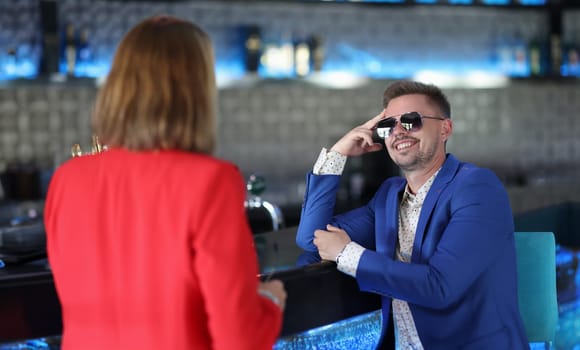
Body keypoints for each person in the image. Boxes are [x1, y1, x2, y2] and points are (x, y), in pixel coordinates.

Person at [44, 15, 285, 350]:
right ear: (196, 93)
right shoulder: (212, 181)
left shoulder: (66, 179)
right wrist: (270, 303)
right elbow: (238, 339)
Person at [296, 80, 528, 349]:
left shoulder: (477, 188)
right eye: (387, 126)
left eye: (410, 121)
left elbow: (440, 288)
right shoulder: (388, 196)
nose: (398, 132)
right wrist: (337, 154)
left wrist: (347, 254)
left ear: (445, 128)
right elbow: (313, 238)